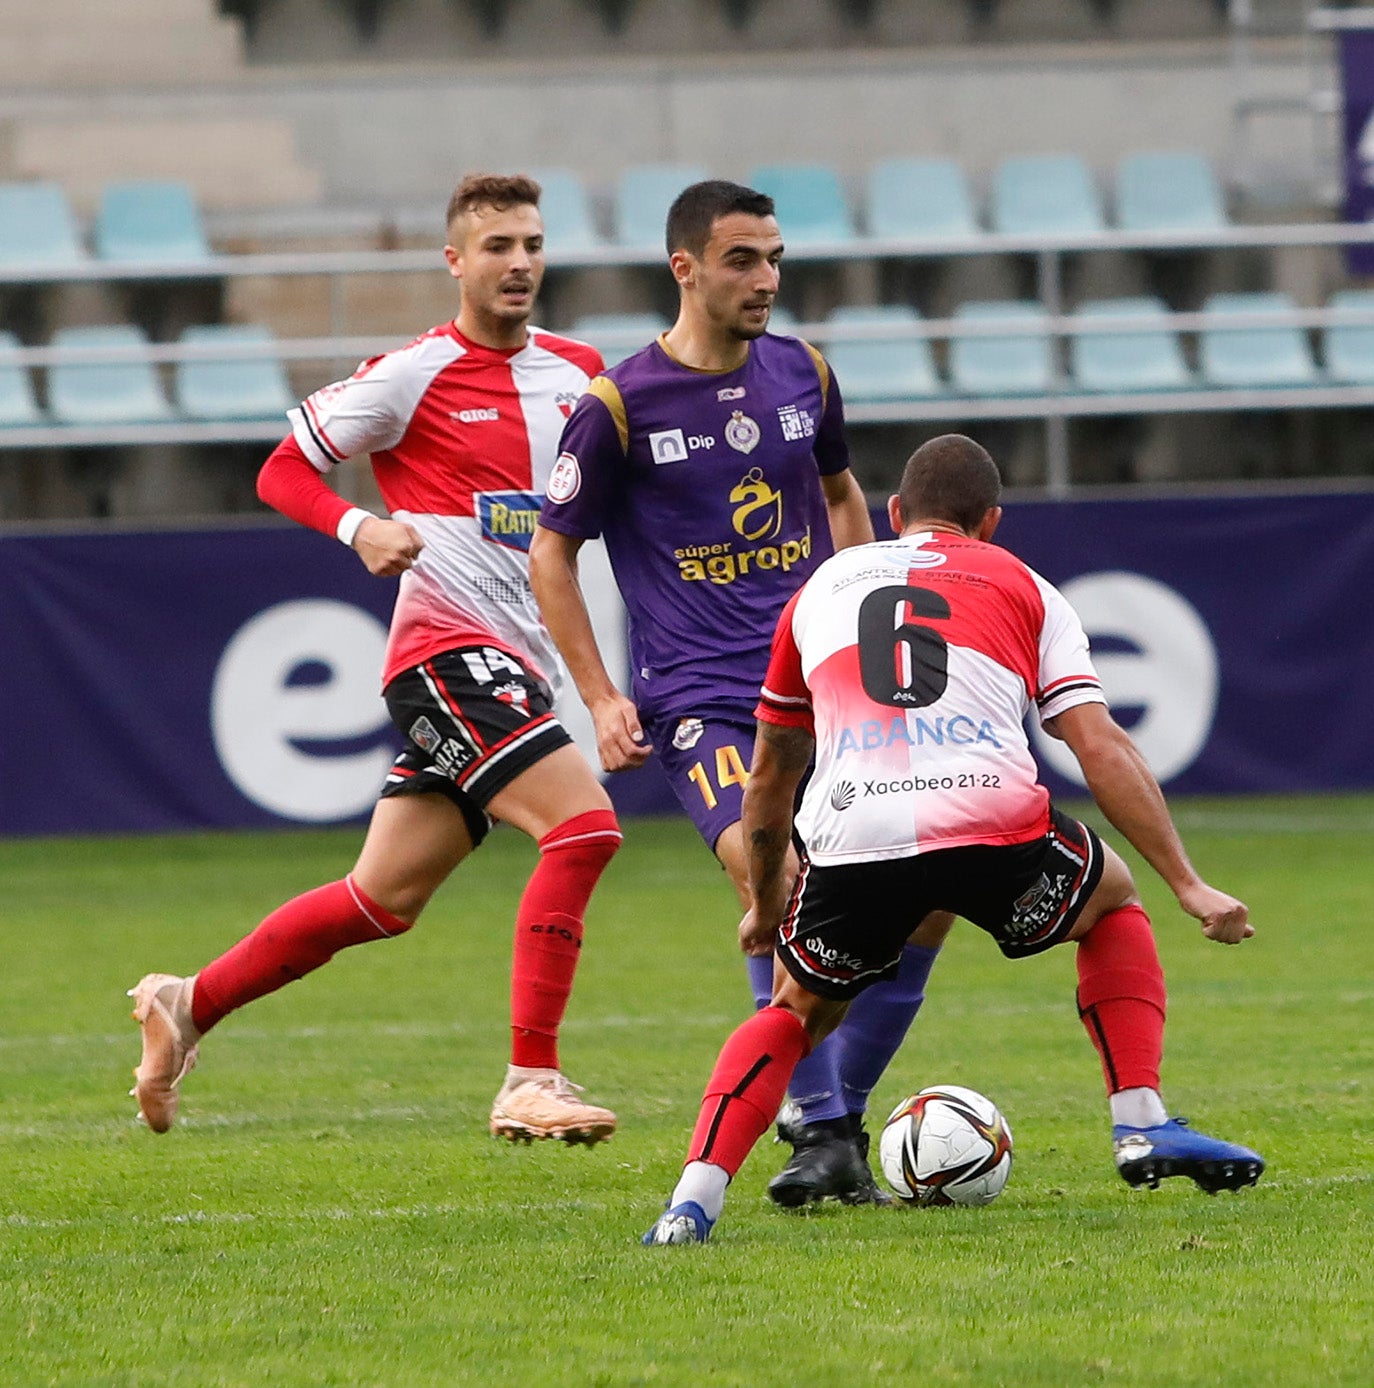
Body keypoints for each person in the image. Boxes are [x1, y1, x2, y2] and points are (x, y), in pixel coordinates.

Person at [643, 433, 1265, 1244]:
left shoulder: (822, 587)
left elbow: (768, 778)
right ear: (991, 522)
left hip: (856, 828)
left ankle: (694, 1200)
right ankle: (1140, 1121)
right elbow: (1098, 742)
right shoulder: (1025, 584)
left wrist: (765, 905)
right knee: (1111, 901)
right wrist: (1188, 882)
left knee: (796, 1011)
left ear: (894, 515)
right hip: (989, 820)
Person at [128, 173, 624, 1146]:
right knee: (583, 828)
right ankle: (531, 1075)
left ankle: (188, 1001)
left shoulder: (578, 372)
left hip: (514, 663)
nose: (518, 261)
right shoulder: (414, 373)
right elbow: (280, 466)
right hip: (443, 650)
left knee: (380, 898)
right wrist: (358, 524)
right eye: (496, 246)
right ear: (456, 261)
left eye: (530, 243)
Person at [530, 179, 949, 1206]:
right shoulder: (619, 404)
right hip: (704, 700)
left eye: (773, 258)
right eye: (741, 260)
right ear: (685, 267)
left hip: (822, 692)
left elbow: (843, 492)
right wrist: (599, 694)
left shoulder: (803, 372)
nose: (765, 279)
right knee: (789, 882)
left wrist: (865, 625)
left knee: (930, 894)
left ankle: (828, 1117)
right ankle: (822, 1123)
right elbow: (552, 553)